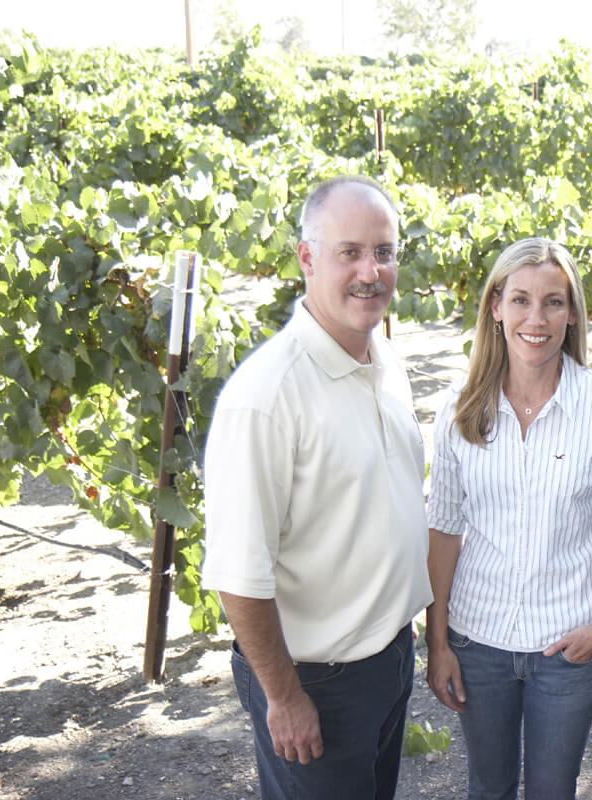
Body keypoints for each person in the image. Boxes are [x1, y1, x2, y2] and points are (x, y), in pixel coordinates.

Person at [201, 176, 431, 800]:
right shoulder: (267, 398)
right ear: (306, 257)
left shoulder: (383, 363)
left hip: (385, 657)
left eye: (384, 252)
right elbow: (237, 573)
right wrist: (284, 696)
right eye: (349, 252)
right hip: (315, 686)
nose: (371, 271)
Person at [424, 238, 592, 800]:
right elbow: (444, 530)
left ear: (572, 315)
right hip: (478, 642)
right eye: (520, 300)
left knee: (552, 790)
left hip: (566, 647)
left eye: (553, 302)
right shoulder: (458, 411)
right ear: (495, 307)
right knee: (488, 788)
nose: (535, 319)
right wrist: (438, 641)